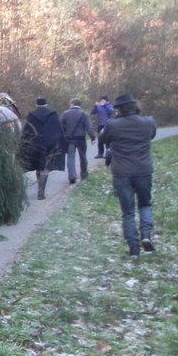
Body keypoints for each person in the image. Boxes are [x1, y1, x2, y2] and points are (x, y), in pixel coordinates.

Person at [99, 93, 156, 258]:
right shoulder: (148, 122)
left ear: (119, 109)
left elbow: (103, 140)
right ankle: (146, 236)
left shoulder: (113, 125)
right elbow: (151, 136)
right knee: (145, 205)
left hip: (121, 172)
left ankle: (133, 248)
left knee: (128, 212)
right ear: (135, 106)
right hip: (144, 170)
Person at [19, 97, 65, 200]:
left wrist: (23, 143)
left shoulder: (31, 116)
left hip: (34, 144)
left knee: (38, 166)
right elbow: (58, 130)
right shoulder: (53, 115)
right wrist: (59, 144)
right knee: (45, 167)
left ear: (36, 104)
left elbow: (26, 130)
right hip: (49, 145)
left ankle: (40, 189)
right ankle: (41, 191)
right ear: (46, 104)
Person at [60, 98, 95, 184]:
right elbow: (89, 128)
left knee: (71, 157)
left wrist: (63, 135)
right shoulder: (84, 114)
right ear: (79, 105)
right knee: (83, 156)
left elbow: (60, 126)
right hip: (81, 139)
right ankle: (84, 174)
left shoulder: (65, 114)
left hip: (70, 139)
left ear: (71, 104)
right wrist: (93, 137)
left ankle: (72, 176)